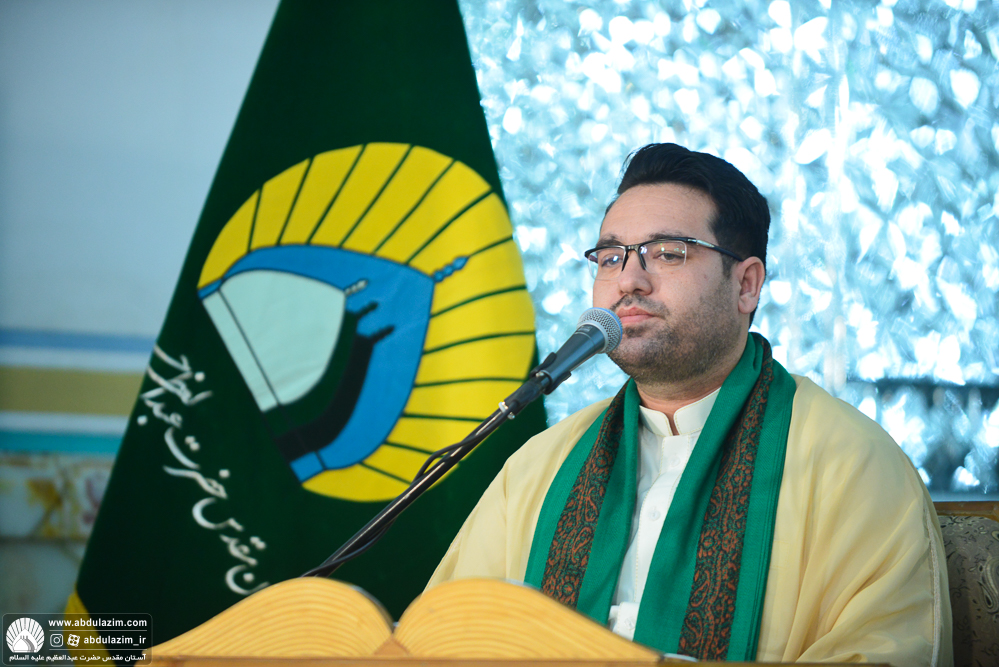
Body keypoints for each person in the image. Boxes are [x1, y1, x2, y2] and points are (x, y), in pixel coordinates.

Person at [425, 143, 952, 666]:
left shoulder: (850, 463)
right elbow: (439, 639)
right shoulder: (541, 467)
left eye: (668, 252)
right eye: (611, 257)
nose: (629, 280)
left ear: (746, 285)